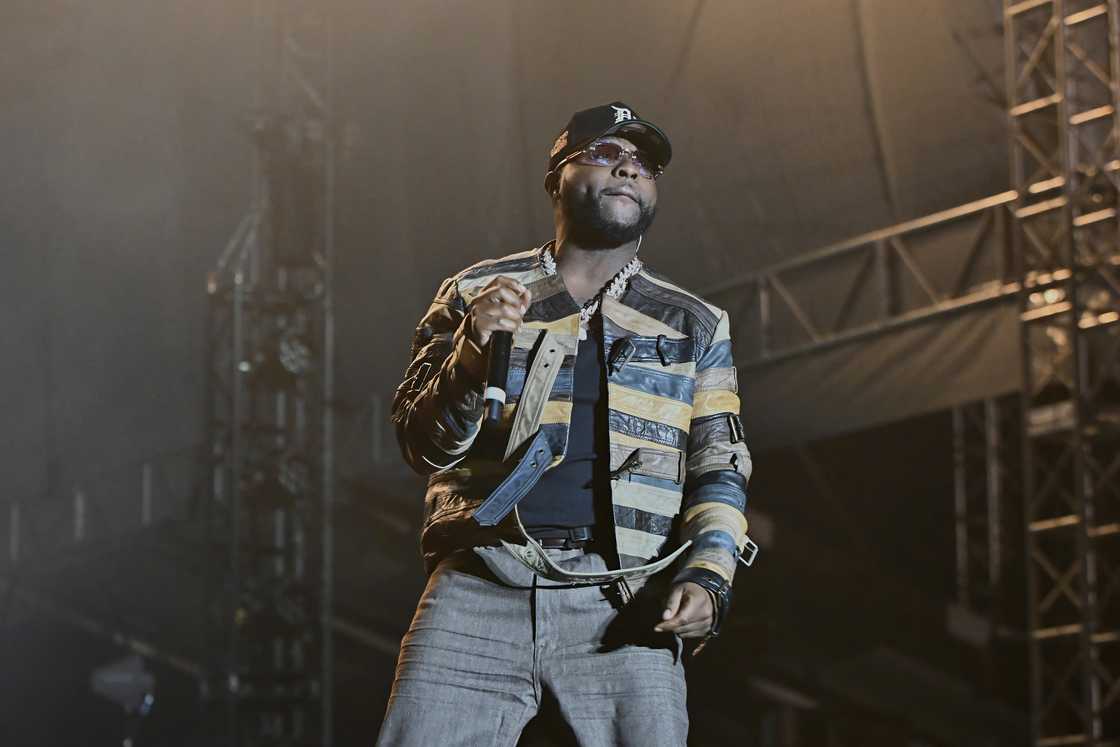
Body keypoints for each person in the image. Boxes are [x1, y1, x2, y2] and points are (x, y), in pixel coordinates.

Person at [377, 102, 755, 746]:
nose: (628, 170)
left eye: (642, 164)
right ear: (557, 176)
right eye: (605, 154)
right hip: (480, 583)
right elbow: (421, 445)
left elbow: (719, 464)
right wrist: (471, 357)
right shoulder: (477, 293)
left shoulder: (693, 323)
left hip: (622, 600)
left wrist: (708, 575)